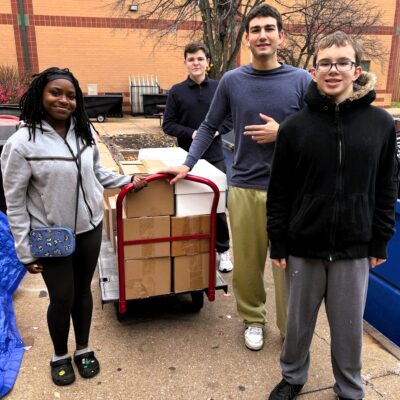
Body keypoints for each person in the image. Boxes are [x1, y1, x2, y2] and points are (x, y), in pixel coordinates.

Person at [160, 4, 311, 350]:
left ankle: (290, 327)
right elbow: (208, 125)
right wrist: (188, 164)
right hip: (244, 186)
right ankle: (253, 319)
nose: (262, 35)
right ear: (247, 38)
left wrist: (283, 132)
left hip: (291, 190)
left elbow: (319, 130)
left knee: (289, 266)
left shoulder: (301, 80)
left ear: (281, 36)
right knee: (247, 264)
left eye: (269, 29)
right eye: (255, 29)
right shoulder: (232, 81)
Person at [267, 31, 399, 400]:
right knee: (297, 324)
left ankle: (349, 387)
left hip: (354, 246)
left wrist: (380, 239)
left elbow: (386, 186)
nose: (333, 70)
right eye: (325, 63)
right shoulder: (294, 127)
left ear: (357, 70)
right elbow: (279, 191)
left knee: (348, 328)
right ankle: (292, 377)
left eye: (342, 62)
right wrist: (278, 241)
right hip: (303, 245)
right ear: (313, 72)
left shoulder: (380, 124)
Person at [1, 67, 145, 386]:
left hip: (89, 229)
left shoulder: (83, 132)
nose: (64, 100)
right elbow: (15, 201)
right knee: (62, 298)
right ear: (40, 94)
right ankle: (59, 355)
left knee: (82, 293)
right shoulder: (22, 143)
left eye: (71, 95)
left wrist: (128, 181)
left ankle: (83, 348)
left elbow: (97, 173)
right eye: (56, 93)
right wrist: (24, 251)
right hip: (51, 236)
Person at [162, 41, 233, 272]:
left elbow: (230, 118)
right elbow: (168, 124)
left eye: (200, 59)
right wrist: (192, 133)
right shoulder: (177, 91)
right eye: (191, 59)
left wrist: (217, 130)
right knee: (188, 205)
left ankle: (223, 251)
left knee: (217, 206)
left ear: (208, 62)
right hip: (186, 160)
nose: (196, 63)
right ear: (185, 62)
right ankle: (191, 249)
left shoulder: (219, 88)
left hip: (214, 157)